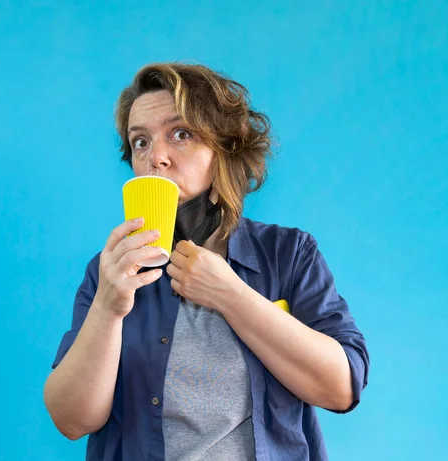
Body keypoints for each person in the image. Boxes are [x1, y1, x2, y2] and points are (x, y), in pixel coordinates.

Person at [44, 62, 369, 461]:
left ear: (225, 148)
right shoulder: (110, 270)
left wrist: (231, 295)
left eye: (180, 134)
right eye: (140, 142)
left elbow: (341, 388)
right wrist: (109, 307)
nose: (156, 157)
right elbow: (72, 421)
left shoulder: (289, 255)